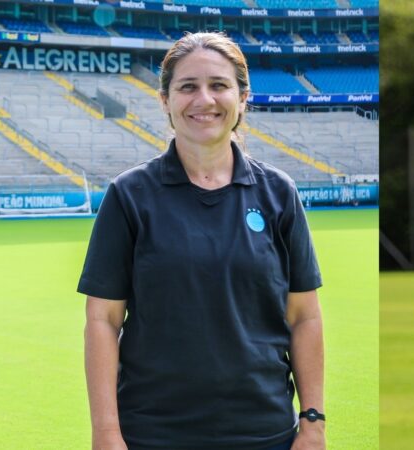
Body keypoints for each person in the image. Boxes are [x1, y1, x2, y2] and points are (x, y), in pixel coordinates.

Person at [79, 32, 325, 450]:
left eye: (219, 85)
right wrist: (106, 433)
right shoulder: (129, 195)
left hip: (264, 433)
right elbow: (103, 322)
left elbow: (304, 317)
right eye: (188, 87)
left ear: (243, 98)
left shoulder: (278, 193)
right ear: (165, 100)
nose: (203, 100)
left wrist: (313, 423)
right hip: (153, 434)